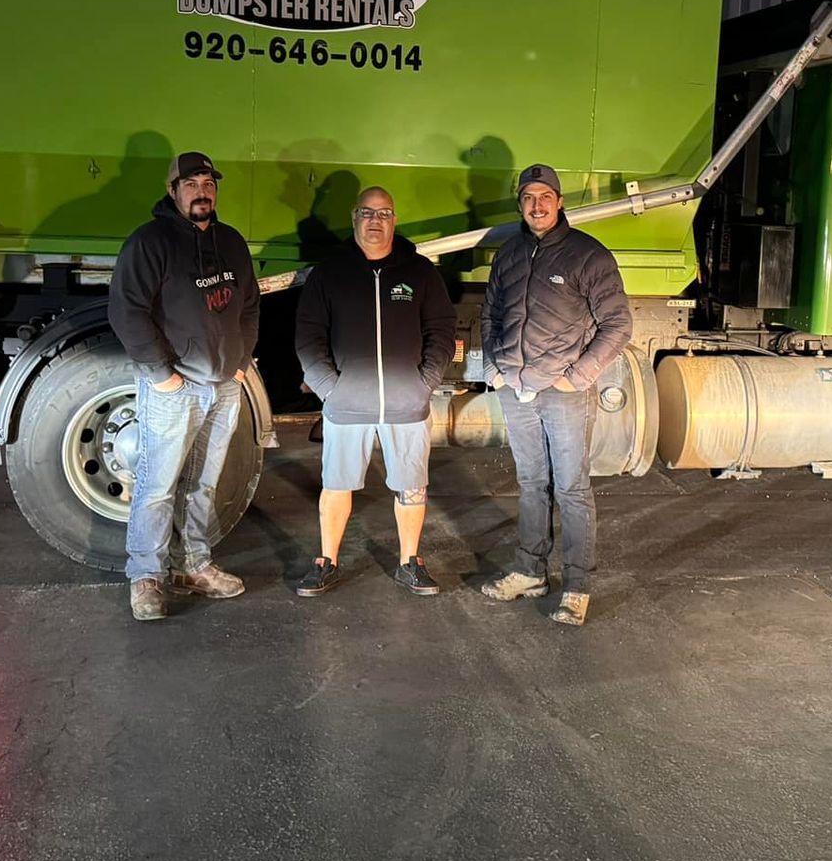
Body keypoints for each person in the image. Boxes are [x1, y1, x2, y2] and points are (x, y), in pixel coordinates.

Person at [107, 150, 261, 621]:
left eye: (208, 183)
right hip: (176, 387)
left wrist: (239, 364)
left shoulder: (231, 242)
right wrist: (162, 375)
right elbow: (127, 311)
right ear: (173, 190)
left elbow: (250, 306)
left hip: (224, 386)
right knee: (157, 485)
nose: (202, 191)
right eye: (191, 183)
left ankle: (194, 566)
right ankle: (147, 577)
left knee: (203, 484)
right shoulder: (150, 242)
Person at [477, 163, 633, 626]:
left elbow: (618, 324)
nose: (536, 205)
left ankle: (578, 585)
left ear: (560, 202)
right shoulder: (508, 254)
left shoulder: (588, 255)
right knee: (530, 484)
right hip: (515, 389)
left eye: (545, 196)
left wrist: (577, 376)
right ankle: (530, 572)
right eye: (528, 197)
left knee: (571, 488)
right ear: (520, 204)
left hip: (563, 393)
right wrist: (495, 369)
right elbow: (488, 316)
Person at [292, 186, 458, 597]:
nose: (375, 221)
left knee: (412, 485)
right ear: (354, 219)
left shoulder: (420, 272)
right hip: (347, 405)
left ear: (394, 220)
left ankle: (409, 562)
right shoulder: (329, 274)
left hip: (407, 405)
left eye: (384, 213)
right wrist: (331, 389)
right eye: (367, 213)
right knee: (336, 484)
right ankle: (327, 561)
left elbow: (441, 329)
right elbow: (309, 336)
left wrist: (426, 382)